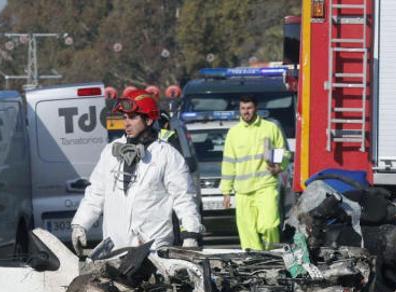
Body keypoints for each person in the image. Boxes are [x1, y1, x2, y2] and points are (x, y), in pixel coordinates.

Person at [70, 90, 201, 255]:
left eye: (132, 117)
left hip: (153, 251)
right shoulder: (111, 151)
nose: (126, 123)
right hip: (114, 249)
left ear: (148, 119)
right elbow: (95, 193)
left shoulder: (167, 155)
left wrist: (190, 234)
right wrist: (80, 224)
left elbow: (184, 198)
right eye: (124, 117)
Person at [220, 95, 290, 250]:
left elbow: (284, 152)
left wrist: (279, 167)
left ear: (256, 108)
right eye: (243, 108)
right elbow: (229, 163)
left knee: (269, 225)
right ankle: (254, 264)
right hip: (243, 191)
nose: (246, 112)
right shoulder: (234, 133)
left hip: (265, 186)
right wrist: (226, 191)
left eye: (249, 108)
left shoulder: (270, 128)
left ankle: (274, 255)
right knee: (248, 233)